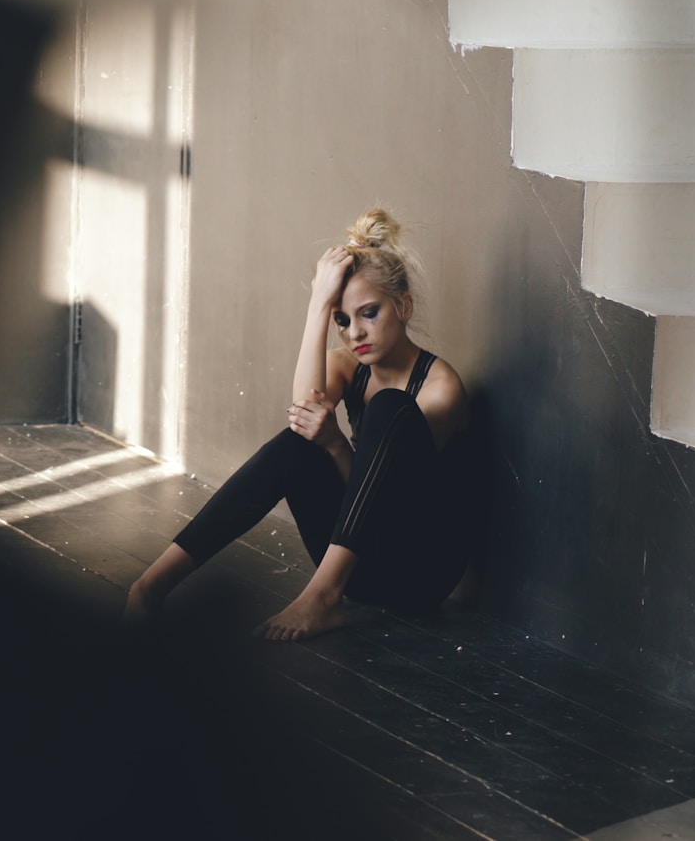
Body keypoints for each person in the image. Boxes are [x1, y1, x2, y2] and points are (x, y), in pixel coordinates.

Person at [123, 208, 470, 641]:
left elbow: (398, 510)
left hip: (418, 572)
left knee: (388, 406)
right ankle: (152, 585)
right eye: (341, 320)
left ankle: (322, 597)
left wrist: (339, 446)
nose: (354, 333)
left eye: (369, 313)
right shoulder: (349, 364)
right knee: (302, 440)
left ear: (404, 306)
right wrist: (317, 303)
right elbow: (304, 412)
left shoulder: (441, 387)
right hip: (359, 569)